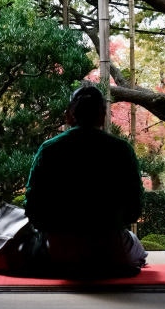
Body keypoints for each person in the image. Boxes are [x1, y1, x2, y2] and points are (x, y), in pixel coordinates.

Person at [23, 85, 147, 277]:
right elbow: (135, 206)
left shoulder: (49, 149)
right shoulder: (121, 150)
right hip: (111, 248)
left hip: (60, 249)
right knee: (135, 244)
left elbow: (33, 205)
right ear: (102, 116)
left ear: (68, 116)